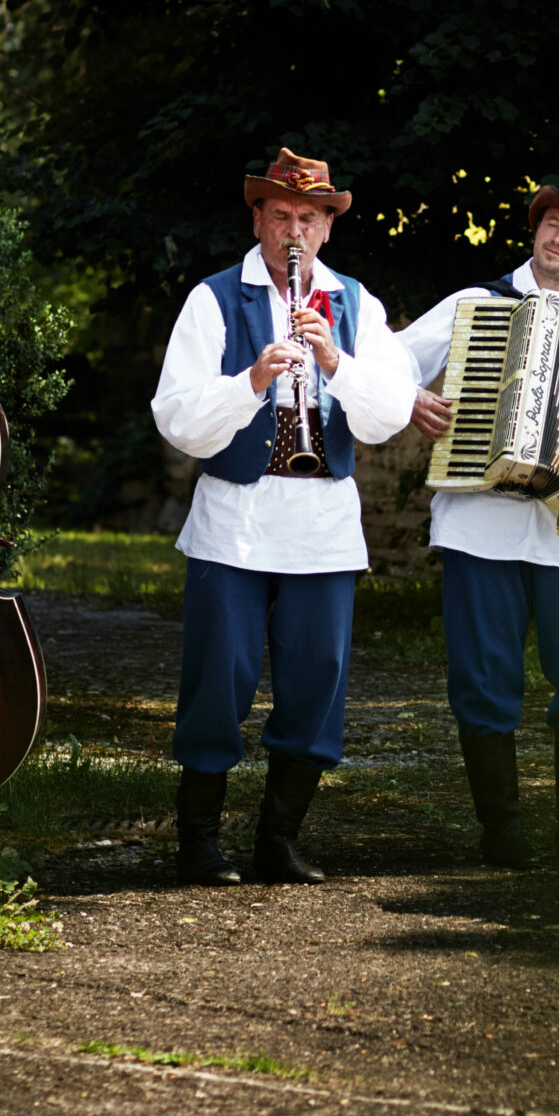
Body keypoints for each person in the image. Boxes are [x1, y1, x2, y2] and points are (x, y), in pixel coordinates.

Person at [150, 149, 416, 887]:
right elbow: (176, 417)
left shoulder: (355, 303)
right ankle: (199, 840)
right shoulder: (213, 299)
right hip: (235, 520)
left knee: (315, 682)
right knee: (219, 680)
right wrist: (251, 382)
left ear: (327, 227)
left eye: (308, 217)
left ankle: (280, 838)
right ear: (258, 218)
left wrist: (336, 363)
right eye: (280, 215)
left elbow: (390, 414)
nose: (293, 230)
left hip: (322, 524)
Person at [399, 171, 559, 868]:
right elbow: (391, 364)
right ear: (536, 226)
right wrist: (409, 401)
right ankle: (502, 829)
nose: (558, 236)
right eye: (552, 221)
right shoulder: (474, 304)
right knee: (483, 679)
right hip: (478, 523)